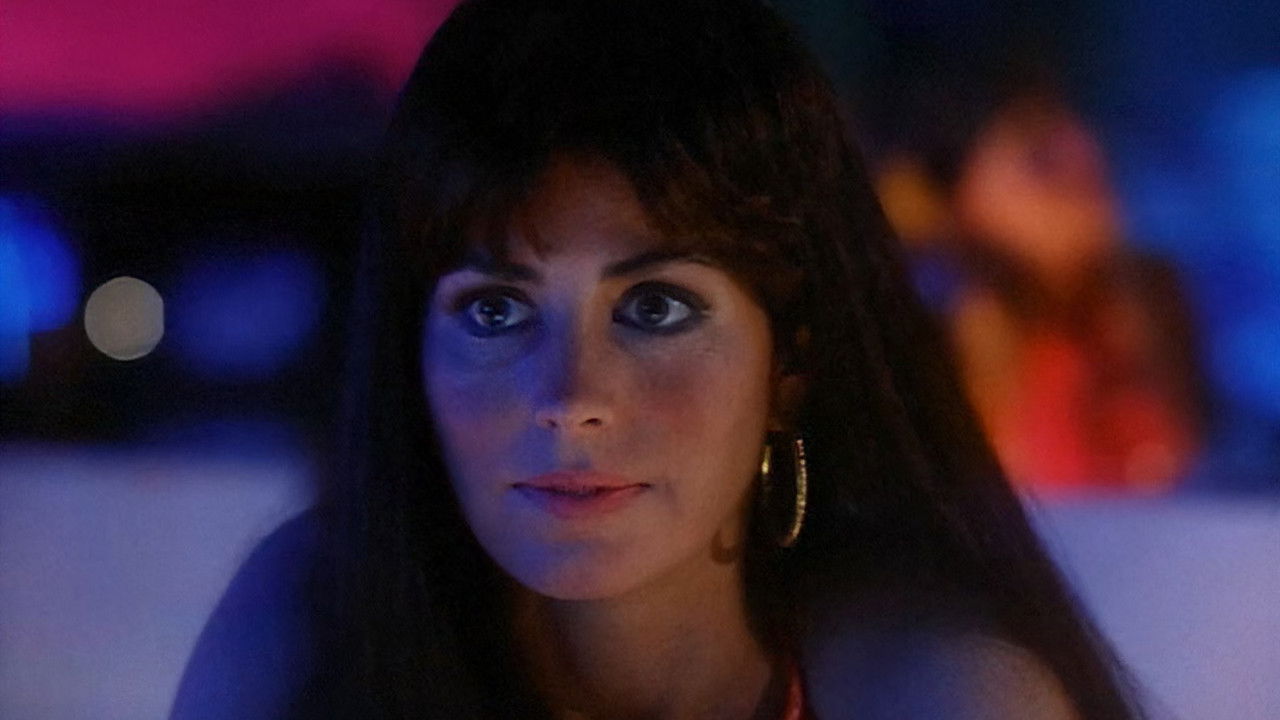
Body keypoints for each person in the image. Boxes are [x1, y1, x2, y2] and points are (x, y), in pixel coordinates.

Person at [171, 1, 1147, 718]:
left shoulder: (937, 695)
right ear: (409, 353)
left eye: (654, 307)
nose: (569, 398)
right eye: (495, 310)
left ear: (790, 365)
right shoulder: (314, 624)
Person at [873, 64, 1206, 493]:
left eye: (1095, 179)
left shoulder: (1132, 314)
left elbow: (1167, 474)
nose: (1093, 208)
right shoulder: (925, 314)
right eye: (1045, 166)